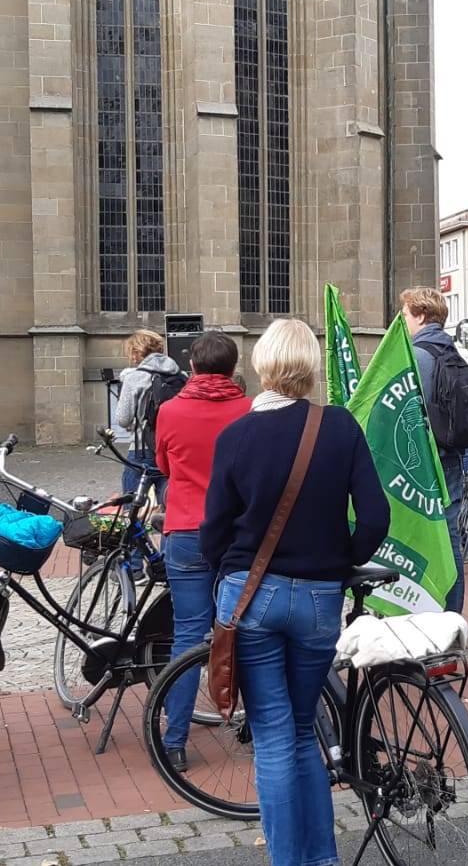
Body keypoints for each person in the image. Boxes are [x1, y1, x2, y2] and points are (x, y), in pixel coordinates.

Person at [198, 319, 389, 866]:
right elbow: (375, 515)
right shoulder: (340, 426)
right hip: (318, 599)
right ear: (310, 367)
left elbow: (214, 528)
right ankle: (321, 858)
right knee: (304, 729)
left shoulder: (236, 436)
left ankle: (290, 860)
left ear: (263, 366)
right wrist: (342, 556)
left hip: (251, 598)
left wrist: (224, 569)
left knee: (275, 735)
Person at [153, 331, 251, 770]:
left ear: (191, 366)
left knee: (187, 637)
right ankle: (256, 727)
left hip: (187, 531)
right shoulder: (249, 410)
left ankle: (175, 741)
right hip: (237, 535)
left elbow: (164, 467)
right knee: (246, 631)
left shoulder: (170, 410)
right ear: (233, 368)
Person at [403, 287, 468, 612]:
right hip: (451, 456)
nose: (403, 321)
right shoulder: (451, 351)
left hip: (424, 462)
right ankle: (453, 615)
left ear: (421, 316)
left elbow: (408, 412)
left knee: (421, 538)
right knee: (449, 537)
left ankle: (426, 611)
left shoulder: (419, 355)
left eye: (406, 315)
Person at [113, 329, 184, 498]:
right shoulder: (179, 375)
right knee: (167, 505)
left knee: (131, 508)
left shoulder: (134, 378)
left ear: (137, 352)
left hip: (142, 450)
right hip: (171, 449)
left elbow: (123, 419)